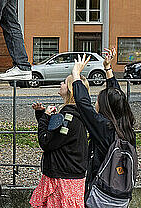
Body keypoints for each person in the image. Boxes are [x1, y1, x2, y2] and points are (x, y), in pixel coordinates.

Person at [68, 48, 137, 202]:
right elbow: (118, 98)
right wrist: (107, 68)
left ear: (105, 107)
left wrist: (76, 76)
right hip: (122, 194)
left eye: (98, 101)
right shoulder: (126, 126)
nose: (95, 104)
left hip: (101, 192)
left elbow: (83, 104)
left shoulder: (104, 128)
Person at [30, 74, 90, 208]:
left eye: (64, 82)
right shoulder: (78, 114)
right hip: (71, 176)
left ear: (70, 89)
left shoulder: (68, 118)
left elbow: (46, 142)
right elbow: (57, 137)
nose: (61, 84)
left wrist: (45, 117)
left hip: (62, 178)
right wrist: (42, 115)